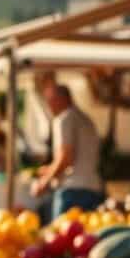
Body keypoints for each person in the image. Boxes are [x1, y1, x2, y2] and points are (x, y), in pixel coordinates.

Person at [31, 84, 103, 218]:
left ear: (61, 99)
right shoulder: (85, 119)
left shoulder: (64, 119)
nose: (49, 106)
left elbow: (66, 157)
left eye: (50, 100)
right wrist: (50, 169)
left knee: (62, 234)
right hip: (92, 187)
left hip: (72, 191)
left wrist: (44, 181)